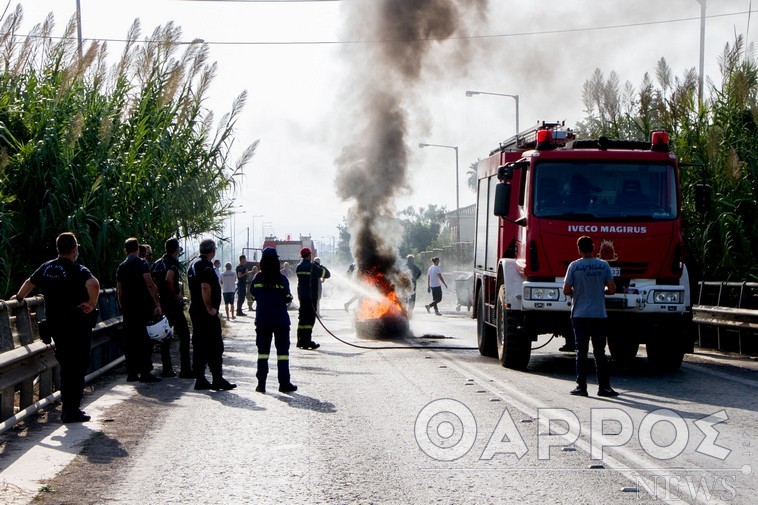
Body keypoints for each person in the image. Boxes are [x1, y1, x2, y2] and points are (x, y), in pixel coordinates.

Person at [11, 232, 100, 423]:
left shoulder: (47, 267)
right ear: (74, 249)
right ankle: (71, 409)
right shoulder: (78, 270)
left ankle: (68, 408)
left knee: (67, 366)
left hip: (56, 326)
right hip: (77, 325)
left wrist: (18, 298)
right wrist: (91, 304)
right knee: (79, 366)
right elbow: (93, 284)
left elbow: (29, 283)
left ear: (58, 249)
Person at [562, 235, 618, 397]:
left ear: (579, 249)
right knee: (600, 351)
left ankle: (581, 387)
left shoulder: (574, 266)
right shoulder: (603, 265)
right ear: (593, 248)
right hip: (599, 314)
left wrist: (576, 294)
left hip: (579, 314)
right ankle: (604, 387)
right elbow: (612, 289)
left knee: (581, 351)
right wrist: (602, 291)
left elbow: (566, 290)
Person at [188, 239, 236, 391]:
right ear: (212, 251)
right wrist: (210, 308)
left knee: (199, 345)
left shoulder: (193, 265)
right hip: (206, 314)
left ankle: (200, 378)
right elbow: (205, 287)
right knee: (215, 346)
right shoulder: (206, 266)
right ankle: (217, 379)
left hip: (196, 310)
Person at [250, 247, 297, 394]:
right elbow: (288, 298)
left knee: (263, 353)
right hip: (280, 320)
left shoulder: (257, 278)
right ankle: (284, 384)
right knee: (282, 353)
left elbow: (253, 294)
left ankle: (261, 384)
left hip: (263, 320)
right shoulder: (282, 279)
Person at [117, 237, 162, 383]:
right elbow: (150, 285)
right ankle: (145, 372)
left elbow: (120, 291)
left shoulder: (121, 267)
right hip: (143, 307)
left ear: (125, 250)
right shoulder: (142, 264)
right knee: (144, 340)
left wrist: (123, 307)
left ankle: (131, 372)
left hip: (129, 309)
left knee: (130, 341)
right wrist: (157, 304)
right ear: (137, 249)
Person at [150, 237, 193, 378]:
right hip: (172, 305)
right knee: (184, 335)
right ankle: (185, 369)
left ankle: (167, 368)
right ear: (176, 250)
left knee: (165, 337)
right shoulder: (172, 263)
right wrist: (176, 295)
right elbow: (169, 279)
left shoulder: (156, 264)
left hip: (161, 304)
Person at [296, 247, 331, 349]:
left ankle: (300, 341)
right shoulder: (313, 267)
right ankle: (307, 341)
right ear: (310, 255)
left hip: (302, 297)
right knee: (310, 320)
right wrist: (319, 265)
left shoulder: (299, 267)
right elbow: (327, 274)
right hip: (311, 298)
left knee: (302, 319)